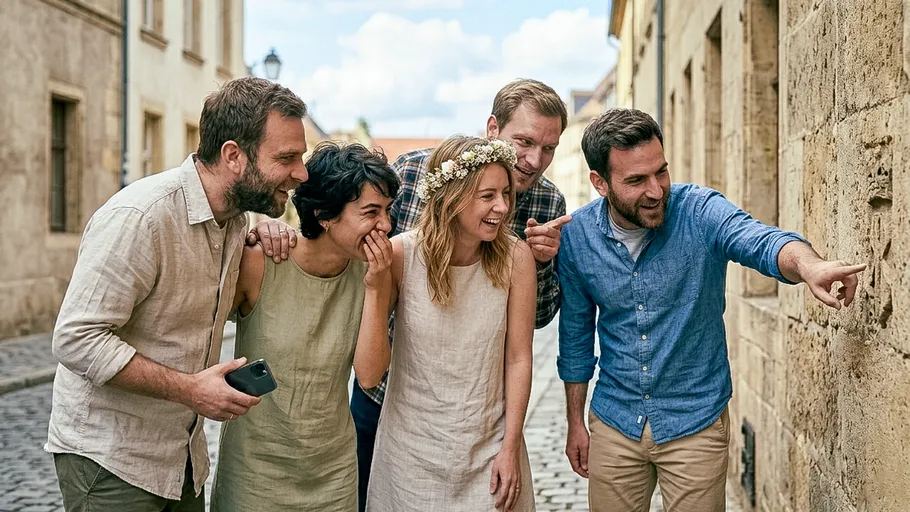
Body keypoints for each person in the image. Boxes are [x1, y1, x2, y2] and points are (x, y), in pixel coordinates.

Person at [557, 108, 867, 512]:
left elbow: (758, 239)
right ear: (600, 183)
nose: (655, 190)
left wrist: (809, 265)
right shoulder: (577, 237)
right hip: (615, 421)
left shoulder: (699, 211)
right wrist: (575, 423)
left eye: (661, 172)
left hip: (695, 422)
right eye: (636, 180)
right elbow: (576, 339)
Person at [45, 77, 309, 511]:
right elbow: (76, 338)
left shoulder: (237, 222)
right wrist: (190, 390)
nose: (301, 172)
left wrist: (269, 229)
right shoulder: (141, 217)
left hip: (182, 462)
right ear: (233, 156)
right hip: (111, 462)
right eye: (287, 158)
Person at [210, 142, 400, 511]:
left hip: (333, 474)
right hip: (256, 473)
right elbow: (198, 334)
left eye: (387, 211)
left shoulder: (374, 273)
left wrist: (377, 288)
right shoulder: (260, 263)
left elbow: (370, 375)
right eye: (371, 212)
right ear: (324, 215)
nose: (386, 225)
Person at [355, 136, 538, 511]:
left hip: (490, 453)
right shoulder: (401, 255)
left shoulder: (516, 258)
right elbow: (369, 376)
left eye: (505, 193)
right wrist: (375, 288)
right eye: (487, 196)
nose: (502, 207)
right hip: (410, 460)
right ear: (452, 197)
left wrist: (511, 448)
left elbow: (518, 358)